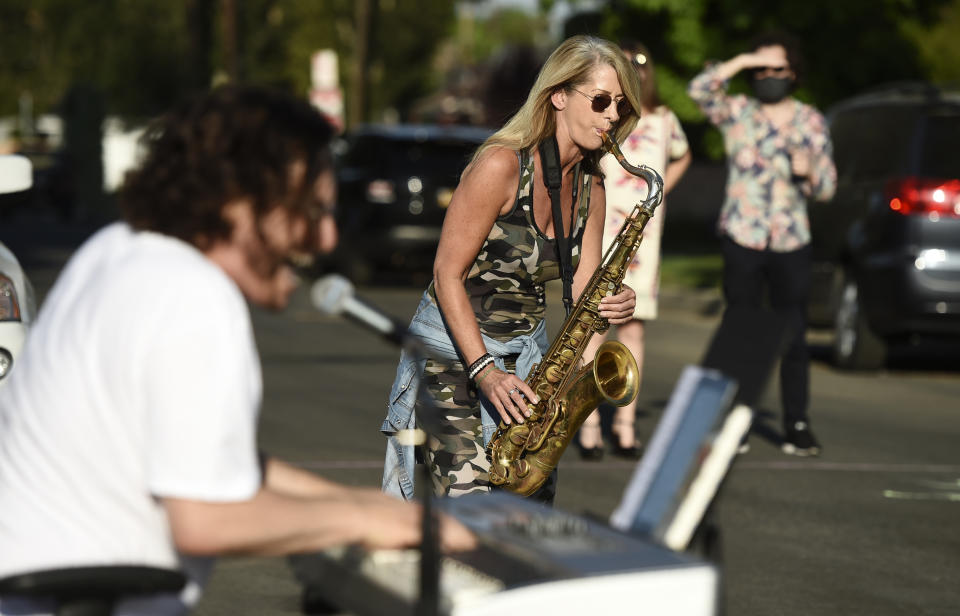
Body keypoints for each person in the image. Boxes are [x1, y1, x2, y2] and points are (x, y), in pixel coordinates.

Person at [0, 85, 474, 616]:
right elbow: (204, 519)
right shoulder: (193, 294)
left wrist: (364, 506)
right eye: (313, 211)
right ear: (244, 205)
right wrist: (365, 521)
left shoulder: (119, 251)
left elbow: (214, 462)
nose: (326, 238)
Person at [381, 34, 642, 503]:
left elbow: (585, 288)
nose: (612, 116)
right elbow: (447, 274)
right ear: (559, 95)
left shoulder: (592, 187)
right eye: (601, 100)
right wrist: (484, 371)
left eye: (620, 105)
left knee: (527, 511)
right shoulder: (501, 164)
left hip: (526, 362)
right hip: (454, 358)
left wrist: (610, 306)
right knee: (472, 511)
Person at [687, 30, 836, 456]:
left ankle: (797, 423)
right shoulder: (737, 111)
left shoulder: (811, 120)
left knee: (793, 332)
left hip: (791, 240)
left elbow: (828, 187)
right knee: (740, 330)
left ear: (793, 73)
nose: (769, 76)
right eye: (762, 70)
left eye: (778, 69)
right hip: (743, 235)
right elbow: (699, 89)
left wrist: (810, 172)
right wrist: (741, 61)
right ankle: (734, 421)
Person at [576, 40, 692, 460]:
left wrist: (657, 196)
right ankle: (587, 425)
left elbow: (683, 156)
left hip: (643, 235)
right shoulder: (609, 114)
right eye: (626, 64)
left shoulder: (663, 118)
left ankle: (625, 427)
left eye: (641, 64)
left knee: (635, 328)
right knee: (593, 325)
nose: (635, 70)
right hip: (601, 227)